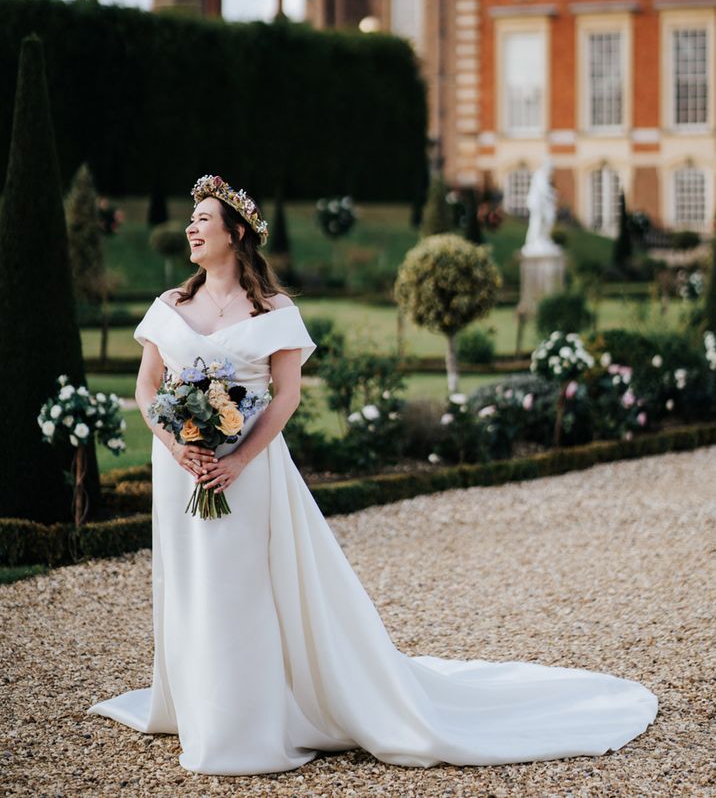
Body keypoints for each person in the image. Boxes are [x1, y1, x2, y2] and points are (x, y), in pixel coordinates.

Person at [88, 173, 658, 776]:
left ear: (235, 233)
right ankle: (197, 703)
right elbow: (148, 386)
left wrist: (237, 459)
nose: (190, 228)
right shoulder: (170, 305)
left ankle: (246, 722)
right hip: (182, 469)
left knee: (242, 586)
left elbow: (284, 398)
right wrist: (177, 446)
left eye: (202, 219)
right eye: (192, 219)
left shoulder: (273, 311)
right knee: (190, 582)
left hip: (247, 472)